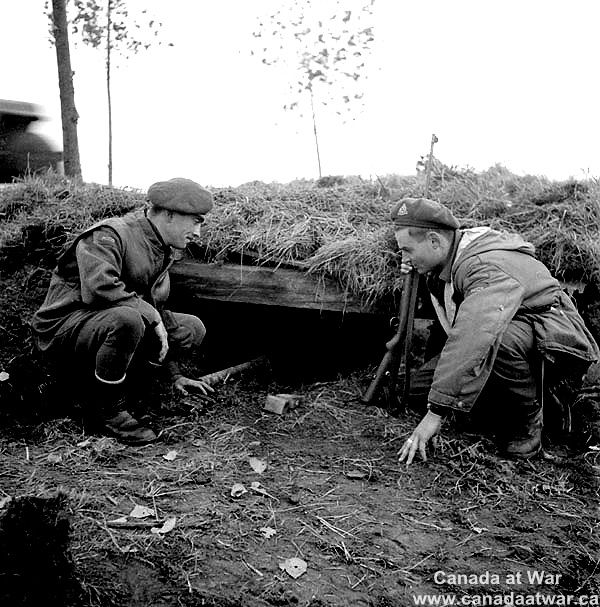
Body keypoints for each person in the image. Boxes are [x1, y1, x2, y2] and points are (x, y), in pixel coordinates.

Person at [391, 197, 599, 465]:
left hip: (555, 348)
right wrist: (421, 268)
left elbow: (474, 333)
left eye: (407, 250)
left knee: (499, 341)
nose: (404, 258)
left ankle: (529, 422)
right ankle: (489, 407)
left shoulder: (483, 266)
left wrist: (436, 413)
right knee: (415, 391)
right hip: (514, 342)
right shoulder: (451, 258)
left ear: (434, 241)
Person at [31, 177, 215, 445]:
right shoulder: (110, 234)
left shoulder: (161, 248)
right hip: (63, 329)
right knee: (129, 319)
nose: (198, 233)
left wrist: (174, 374)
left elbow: (156, 306)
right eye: (196, 221)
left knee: (190, 328)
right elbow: (98, 289)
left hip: (106, 327)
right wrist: (150, 315)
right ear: (170, 215)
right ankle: (105, 409)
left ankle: (135, 387)